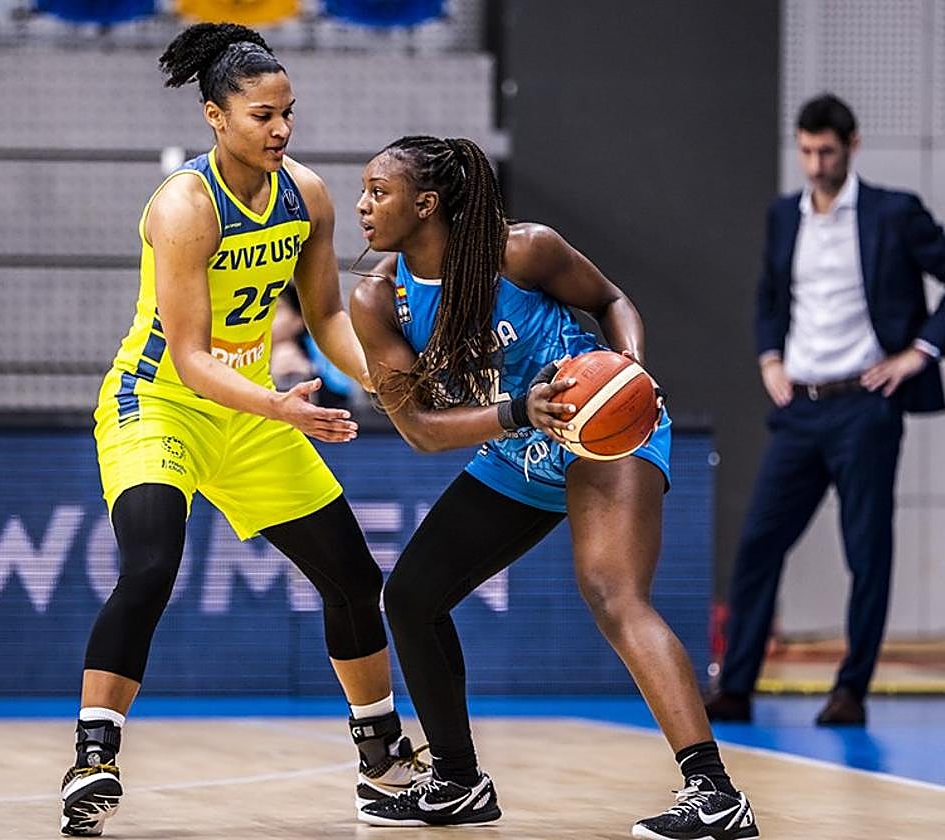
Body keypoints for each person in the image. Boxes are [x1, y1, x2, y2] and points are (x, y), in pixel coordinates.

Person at [59, 23, 425, 836]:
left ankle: (381, 763)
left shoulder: (307, 195)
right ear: (215, 116)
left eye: (288, 112)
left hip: (253, 411)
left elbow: (326, 316)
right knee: (151, 563)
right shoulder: (185, 206)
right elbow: (191, 359)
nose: (282, 128)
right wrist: (282, 407)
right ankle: (93, 759)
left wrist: (384, 380)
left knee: (353, 578)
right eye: (263, 114)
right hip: (159, 403)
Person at [349, 135, 758, 839]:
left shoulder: (522, 251)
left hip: (601, 432)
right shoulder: (377, 300)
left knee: (612, 593)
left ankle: (714, 791)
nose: (362, 205)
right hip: (518, 444)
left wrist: (628, 368)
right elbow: (419, 430)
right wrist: (516, 414)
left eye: (378, 192)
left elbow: (611, 299)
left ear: (426, 204)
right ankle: (458, 782)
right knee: (412, 596)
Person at [705, 94, 945, 728]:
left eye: (827, 151)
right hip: (799, 409)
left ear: (852, 146)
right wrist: (769, 358)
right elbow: (769, 295)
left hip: (865, 407)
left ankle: (851, 692)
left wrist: (919, 353)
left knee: (866, 552)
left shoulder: (894, 213)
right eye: (807, 151)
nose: (816, 164)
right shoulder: (784, 216)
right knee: (759, 544)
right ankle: (736, 688)